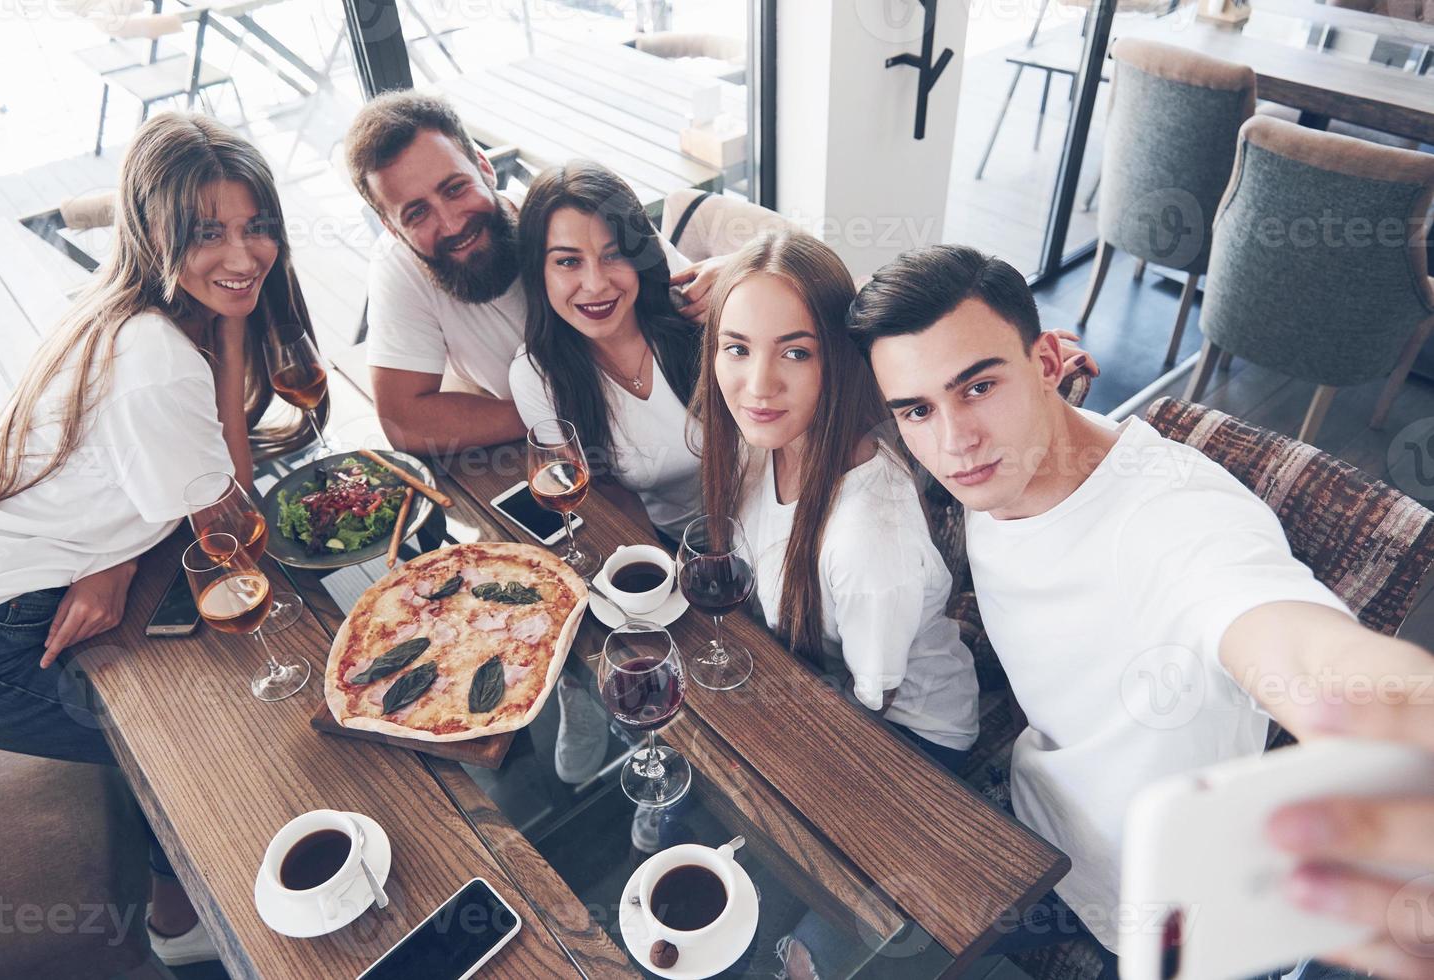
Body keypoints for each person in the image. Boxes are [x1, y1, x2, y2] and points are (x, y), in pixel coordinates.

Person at [847, 244, 1434, 971]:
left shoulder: (1176, 517)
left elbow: (1272, 623)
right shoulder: (992, 464)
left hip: (1174, 918)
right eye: (916, 409)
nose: (953, 442)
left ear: (1045, 362)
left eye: (977, 388)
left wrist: (1385, 715)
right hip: (1033, 835)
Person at [0, 112, 321, 966]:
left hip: (22, 584)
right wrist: (237, 333)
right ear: (154, 234)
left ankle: (174, 914)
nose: (243, 257)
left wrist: (114, 555)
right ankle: (218, 932)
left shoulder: (119, 311)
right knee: (202, 745)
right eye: (208, 235)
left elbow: (156, 488)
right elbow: (231, 524)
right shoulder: (158, 356)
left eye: (256, 227)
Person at [694, 230, 979, 769]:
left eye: (795, 353)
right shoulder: (759, 441)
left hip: (909, 735)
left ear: (839, 361)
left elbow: (873, 700)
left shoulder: (865, 535)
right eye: (737, 348)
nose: (758, 385)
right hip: (804, 673)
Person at [344, 91, 727, 457]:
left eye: (456, 188)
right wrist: (554, 414)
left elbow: (691, 295)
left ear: (484, 166)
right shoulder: (400, 268)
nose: (450, 223)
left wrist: (738, 276)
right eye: (416, 213)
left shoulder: (570, 214)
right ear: (392, 228)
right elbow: (404, 422)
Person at [507, 161, 703, 542]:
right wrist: (665, 577)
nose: (595, 284)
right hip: (677, 546)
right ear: (538, 271)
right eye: (568, 261)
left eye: (613, 255)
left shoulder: (694, 316)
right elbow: (614, 496)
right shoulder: (535, 376)